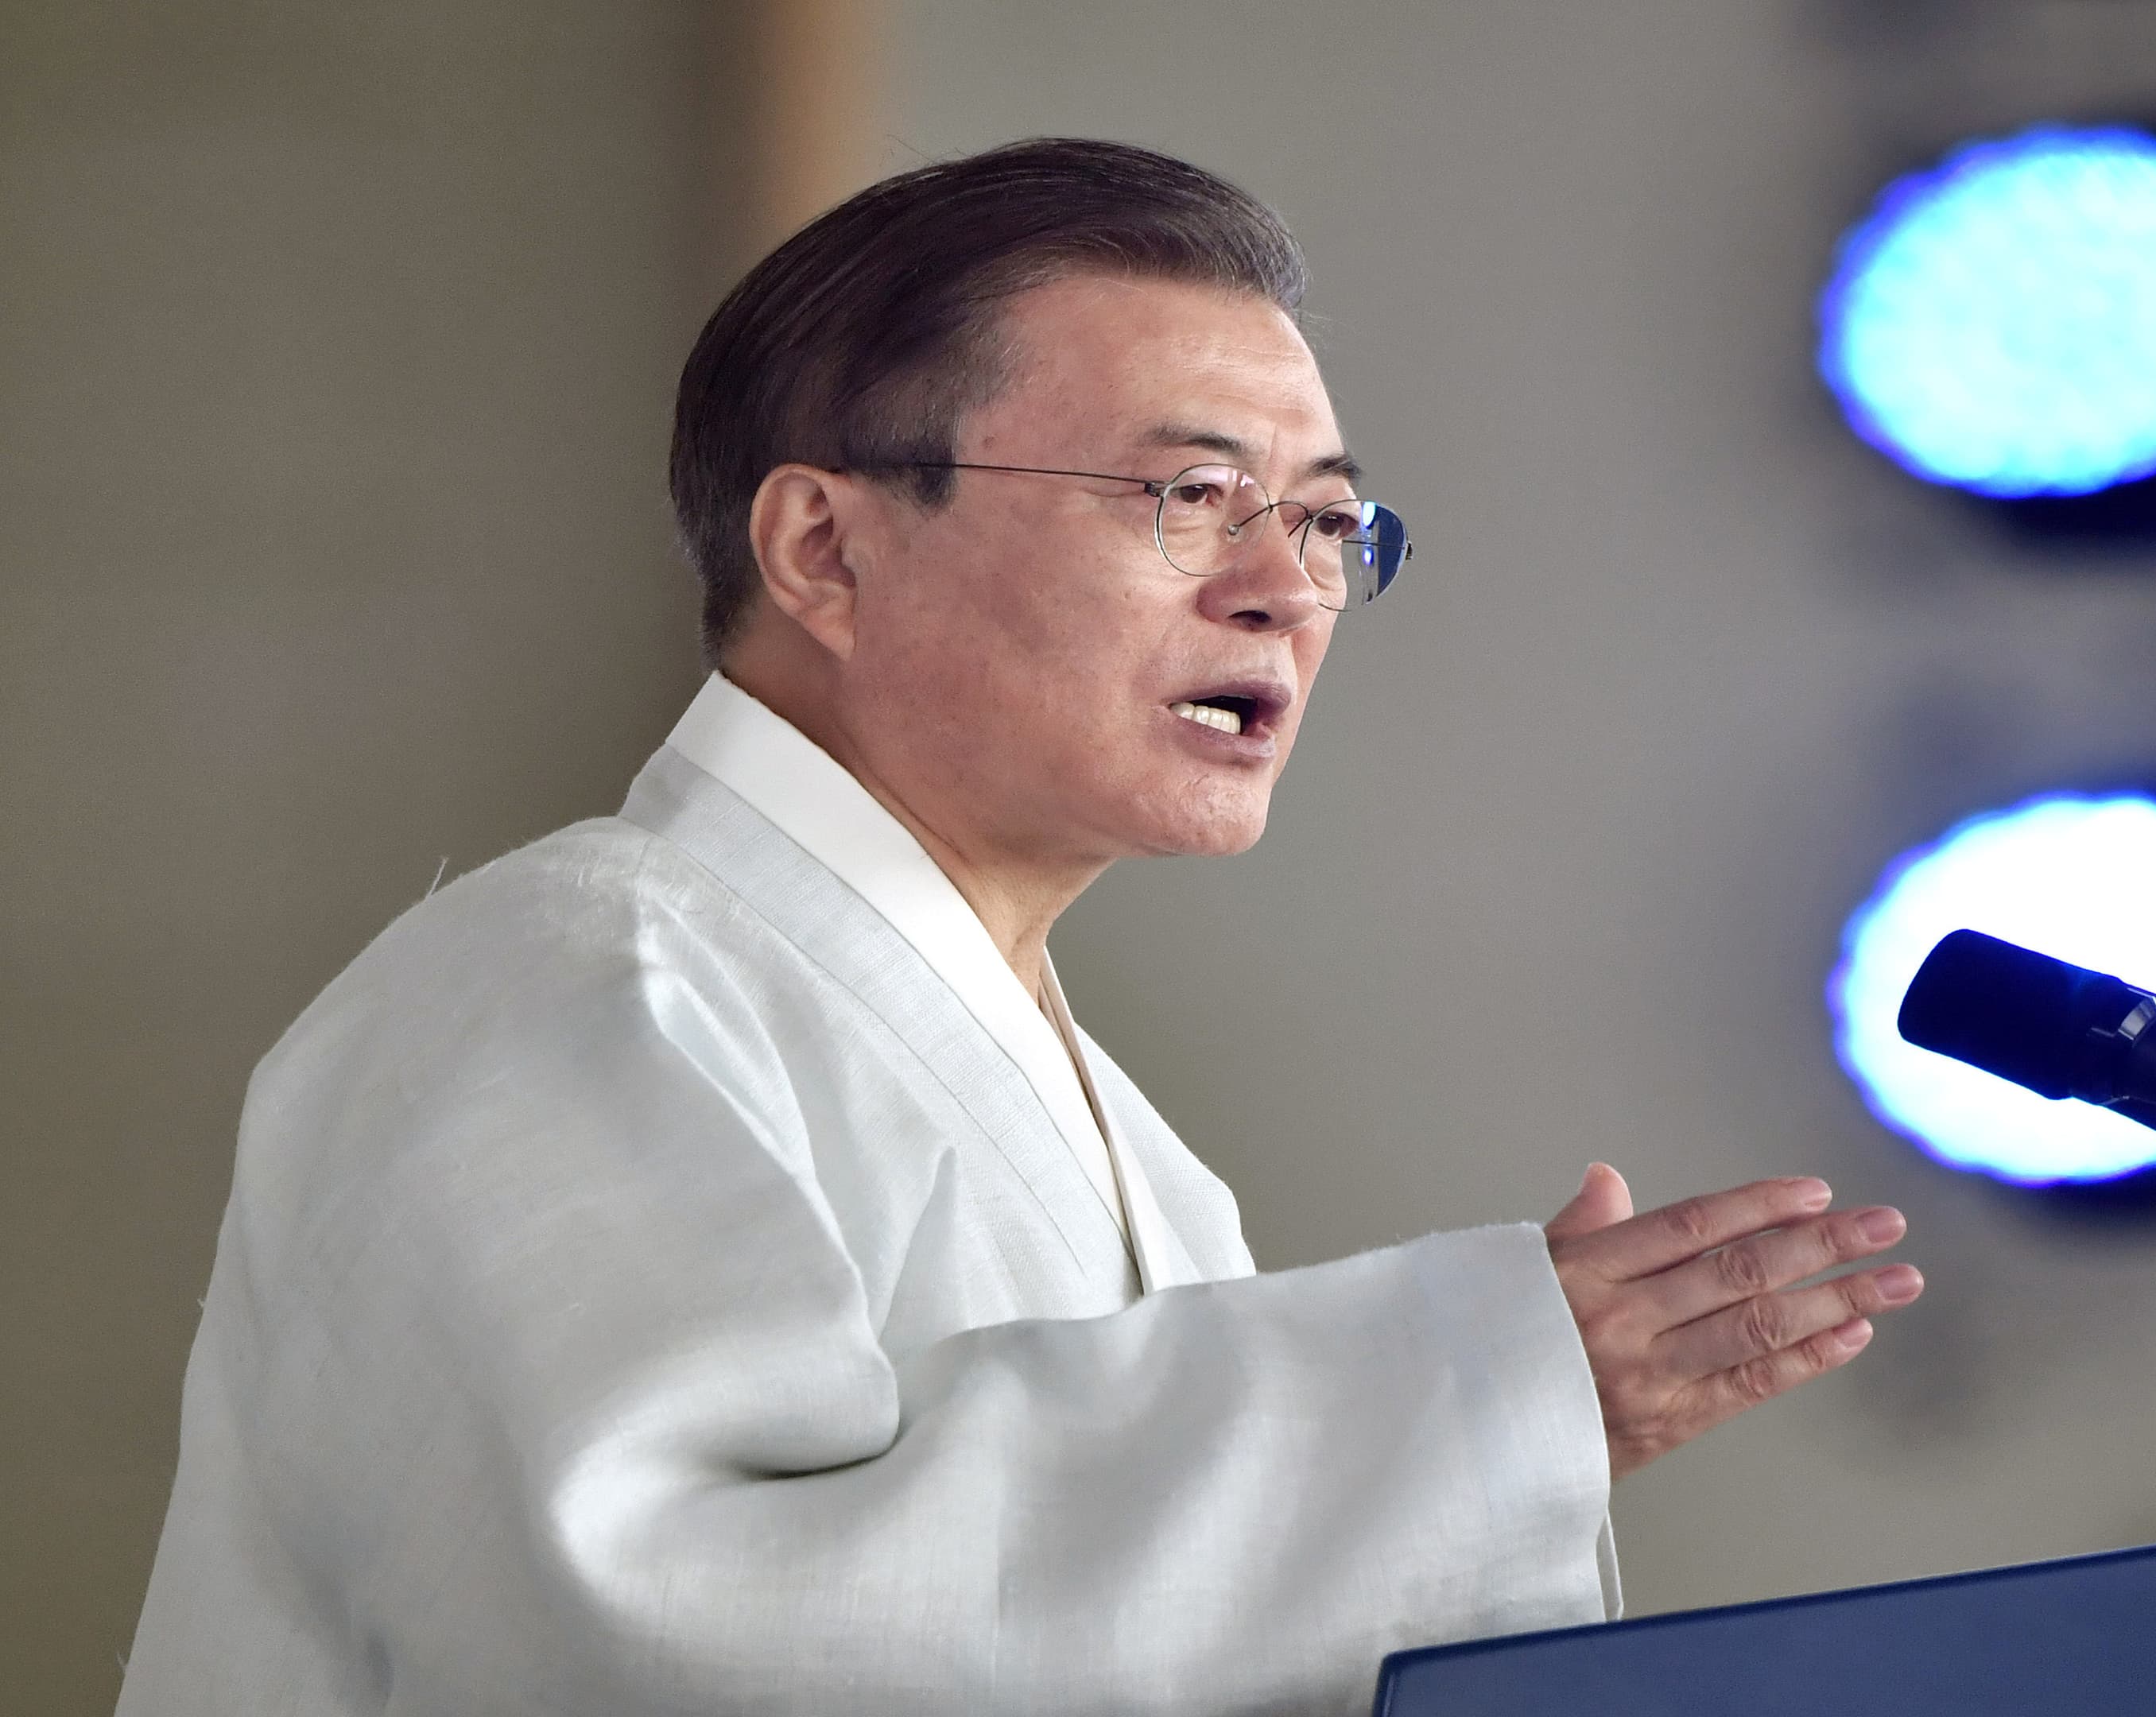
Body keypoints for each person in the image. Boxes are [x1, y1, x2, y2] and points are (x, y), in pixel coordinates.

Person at [117, 138, 1921, 1716]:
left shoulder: (1139, 1156)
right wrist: (1455, 1406)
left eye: (1323, 518)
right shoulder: (566, 982)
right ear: (825, 548)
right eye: (1189, 495)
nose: (1286, 586)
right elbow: (649, 1637)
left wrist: (1488, 1419)